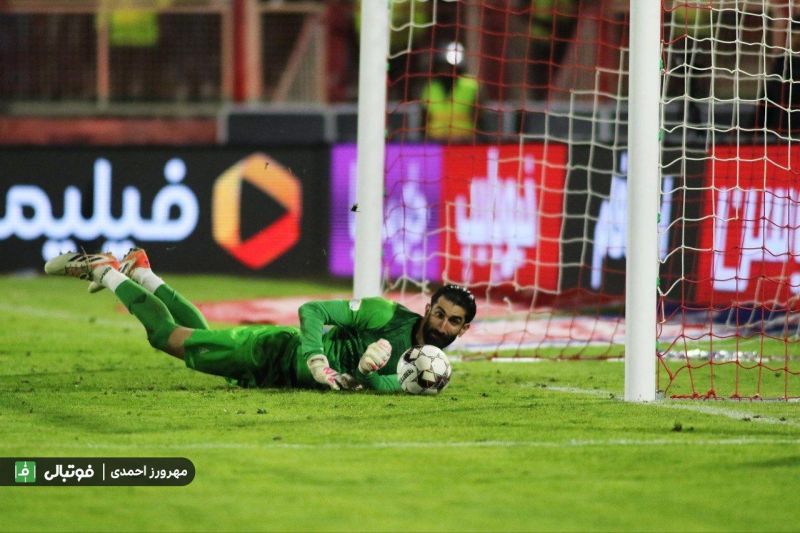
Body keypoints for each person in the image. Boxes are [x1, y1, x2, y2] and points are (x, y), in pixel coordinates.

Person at [44, 249, 476, 392]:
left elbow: (382, 385)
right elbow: (312, 310)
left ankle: (142, 271)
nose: (442, 326)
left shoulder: (422, 372)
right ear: (428, 309)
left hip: (278, 379)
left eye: (453, 322)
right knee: (166, 337)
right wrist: (317, 359)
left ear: (463, 329)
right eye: (439, 314)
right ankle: (104, 269)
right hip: (276, 352)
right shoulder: (385, 315)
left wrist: (363, 371)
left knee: (203, 337)